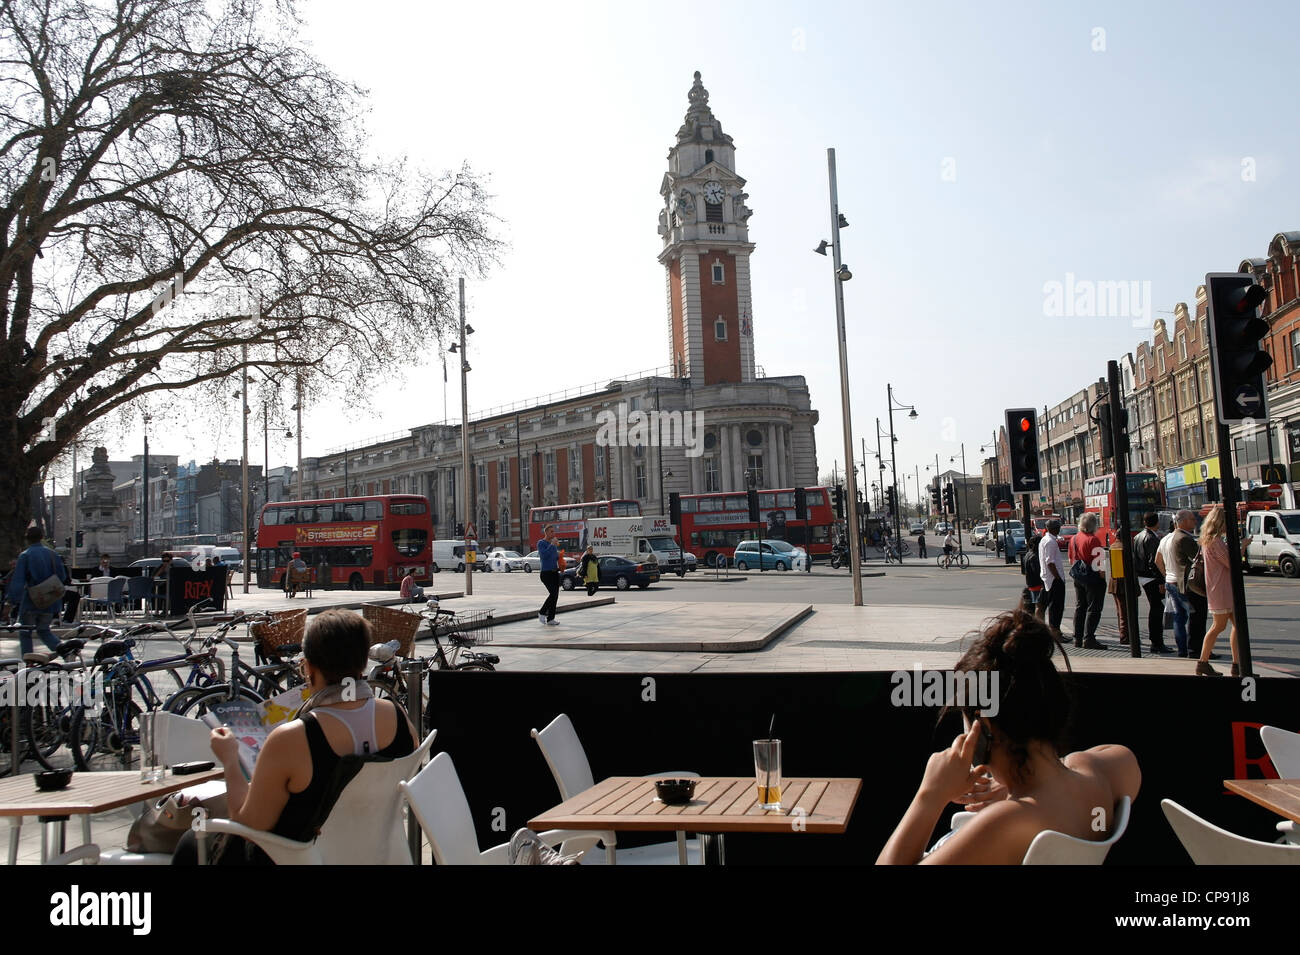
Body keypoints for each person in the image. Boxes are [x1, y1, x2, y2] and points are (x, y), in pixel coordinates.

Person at [876, 610, 1141, 864]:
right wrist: (1018, 780)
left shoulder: (1006, 823)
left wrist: (929, 796)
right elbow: (1114, 756)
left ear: (984, 729)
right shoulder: (1104, 775)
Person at [172, 610, 417, 865]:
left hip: (294, 857)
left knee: (190, 842)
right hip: (371, 853)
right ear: (362, 663)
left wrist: (231, 760)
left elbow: (249, 824)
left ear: (309, 667)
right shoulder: (397, 717)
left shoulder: (294, 738)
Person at [4, 524, 69, 656]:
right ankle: (63, 651)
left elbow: (18, 581)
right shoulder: (53, 554)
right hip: (50, 599)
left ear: (27, 539)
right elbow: (62, 576)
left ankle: (28, 662)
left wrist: (10, 602)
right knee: (44, 630)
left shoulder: (25, 555)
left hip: (32, 600)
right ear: (42, 537)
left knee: (25, 631)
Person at [1197, 505, 1241, 677]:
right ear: (1220, 522)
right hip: (1222, 590)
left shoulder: (1208, 540)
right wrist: (1242, 546)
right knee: (1219, 626)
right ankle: (1203, 662)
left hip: (1221, 589)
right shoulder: (1216, 542)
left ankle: (1236, 664)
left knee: (1236, 625)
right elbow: (1231, 563)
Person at [1155, 510, 1199, 658]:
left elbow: (1157, 560)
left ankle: (1182, 650)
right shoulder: (1182, 538)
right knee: (1194, 615)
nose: (1195, 522)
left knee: (1179, 617)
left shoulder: (1165, 539)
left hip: (1170, 581)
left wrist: (1166, 574)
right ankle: (1195, 648)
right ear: (1182, 522)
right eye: (1192, 519)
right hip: (1182, 583)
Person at [1068, 512, 1108, 650]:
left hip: (1078, 577)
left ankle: (1077, 638)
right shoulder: (1094, 540)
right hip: (1093, 577)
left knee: (1080, 606)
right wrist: (1103, 578)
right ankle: (1089, 638)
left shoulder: (1074, 538)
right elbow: (1099, 564)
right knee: (1094, 608)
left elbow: (1070, 559)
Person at [1133, 513, 1170, 654]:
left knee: (1155, 609)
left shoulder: (1138, 536)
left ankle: (1156, 641)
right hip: (1152, 578)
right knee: (1157, 610)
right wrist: (1161, 580)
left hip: (1142, 576)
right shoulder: (1152, 538)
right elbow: (1153, 562)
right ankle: (1157, 642)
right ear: (1157, 522)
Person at [1037, 520, 1067, 637]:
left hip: (1046, 578)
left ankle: (1051, 630)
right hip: (1053, 579)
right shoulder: (1051, 542)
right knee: (1056, 607)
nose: (1059, 529)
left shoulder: (1044, 540)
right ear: (1055, 529)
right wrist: (1058, 577)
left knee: (1045, 604)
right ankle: (1055, 632)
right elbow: (1050, 562)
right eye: (1058, 527)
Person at [537, 525, 561, 626]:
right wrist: (552, 545)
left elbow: (554, 557)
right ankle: (542, 612)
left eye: (554, 532)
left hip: (554, 572)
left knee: (555, 596)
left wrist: (560, 557)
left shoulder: (554, 545)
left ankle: (551, 618)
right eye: (551, 532)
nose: (553, 534)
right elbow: (544, 556)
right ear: (546, 532)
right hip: (546, 573)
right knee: (553, 594)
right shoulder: (541, 543)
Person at [1021, 533, 1045, 618]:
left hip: (1030, 583)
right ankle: (1040, 624)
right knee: (1040, 606)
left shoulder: (1027, 554)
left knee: (1034, 606)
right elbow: (1038, 572)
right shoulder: (1035, 556)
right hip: (1037, 584)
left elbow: (1023, 571)